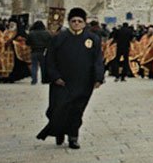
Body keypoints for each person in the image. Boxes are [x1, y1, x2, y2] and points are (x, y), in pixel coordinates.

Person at [35, 8, 104, 149]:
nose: (77, 24)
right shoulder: (59, 38)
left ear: (85, 23)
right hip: (62, 82)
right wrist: (55, 76)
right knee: (58, 109)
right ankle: (59, 132)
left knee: (76, 111)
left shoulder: (93, 39)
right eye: (74, 21)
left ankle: (73, 136)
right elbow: (50, 60)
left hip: (83, 82)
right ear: (69, 22)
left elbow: (98, 59)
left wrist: (98, 77)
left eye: (80, 21)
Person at [27, 20, 52, 85]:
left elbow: (28, 42)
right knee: (43, 67)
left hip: (34, 51)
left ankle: (34, 80)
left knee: (34, 66)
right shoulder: (47, 33)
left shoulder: (31, 33)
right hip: (43, 51)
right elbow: (50, 42)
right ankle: (44, 79)